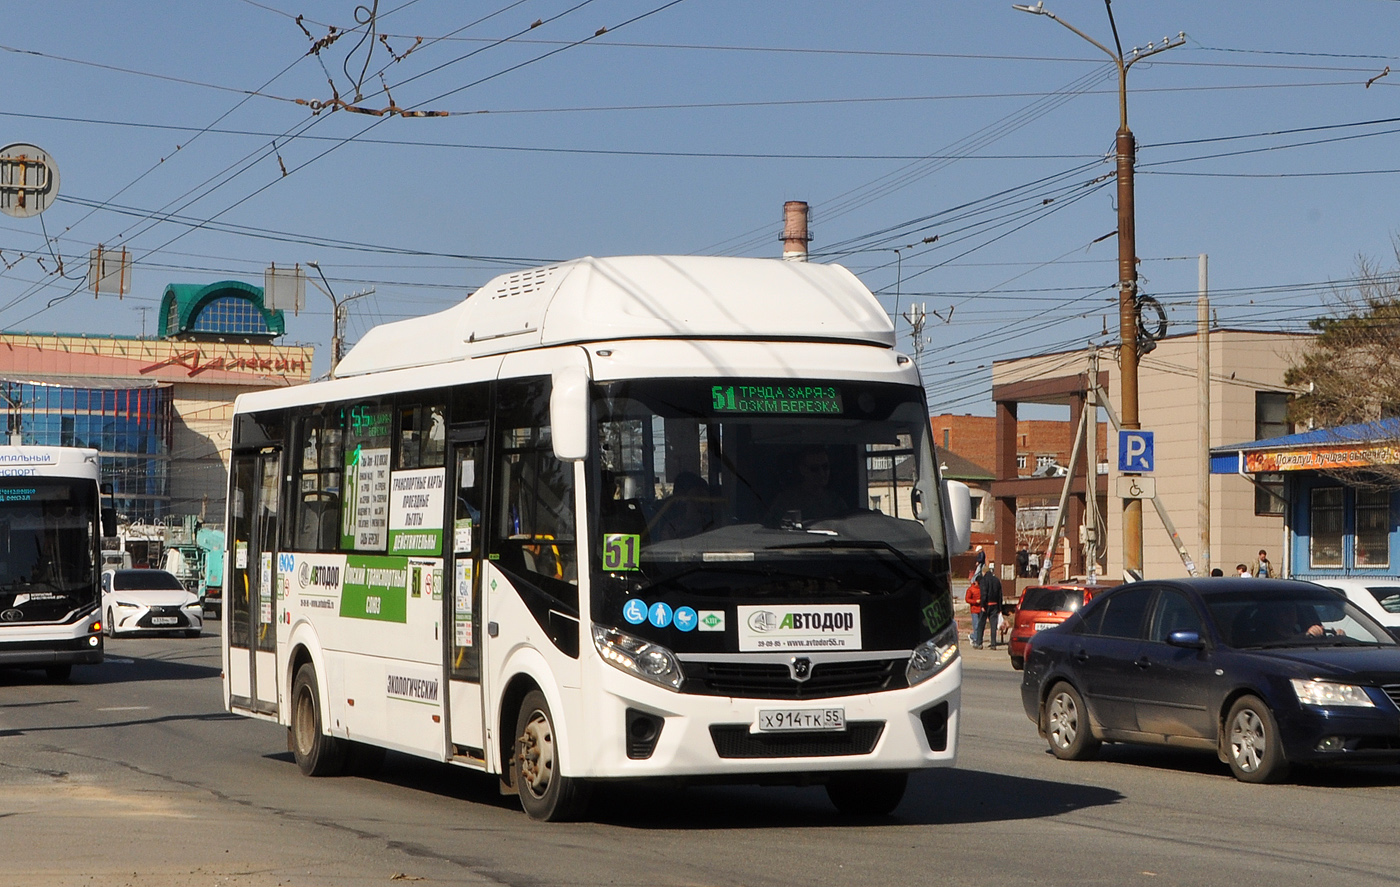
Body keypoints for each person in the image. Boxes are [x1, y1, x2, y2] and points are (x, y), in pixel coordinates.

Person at [767, 446, 848, 525]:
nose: (822, 473)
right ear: (803, 470)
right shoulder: (786, 501)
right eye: (814, 469)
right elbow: (770, 528)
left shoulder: (835, 501)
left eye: (825, 467)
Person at [654, 472, 713, 540]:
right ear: (682, 501)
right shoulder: (671, 529)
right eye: (695, 499)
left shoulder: (719, 526)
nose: (701, 503)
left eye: (704, 498)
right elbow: (664, 548)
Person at [975, 564, 1004, 649]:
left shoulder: (983, 581)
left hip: (986, 605)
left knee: (981, 624)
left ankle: (979, 643)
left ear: (984, 572)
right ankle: (993, 644)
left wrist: (983, 605)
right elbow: (1000, 595)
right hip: (995, 605)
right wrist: (1000, 608)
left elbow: (984, 593)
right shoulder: (997, 580)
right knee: (993, 626)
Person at [964, 581, 984, 648]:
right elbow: (967, 599)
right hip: (974, 610)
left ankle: (974, 636)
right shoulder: (971, 589)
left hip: (980, 609)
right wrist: (975, 601)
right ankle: (975, 639)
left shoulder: (982, 589)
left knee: (980, 625)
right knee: (976, 625)